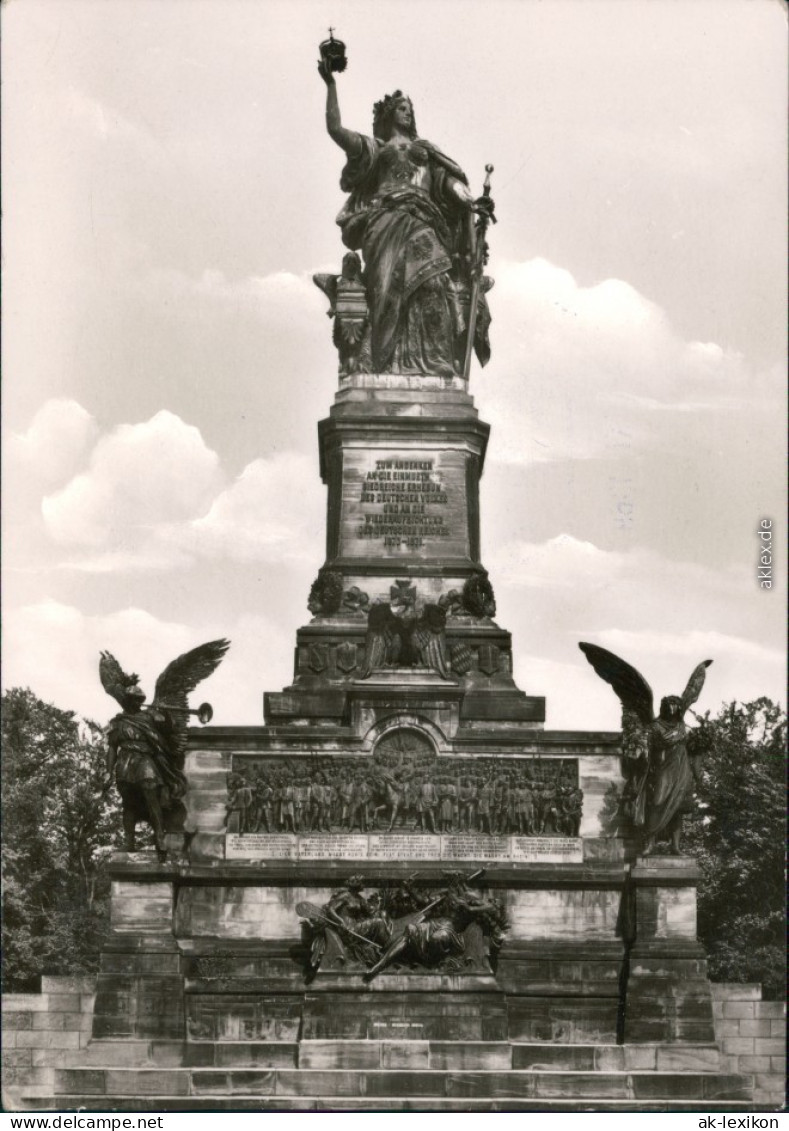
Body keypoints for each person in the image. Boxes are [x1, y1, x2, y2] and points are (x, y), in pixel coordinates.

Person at [318, 61, 492, 377]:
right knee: (383, 288)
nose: (407, 112)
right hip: (385, 222)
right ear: (388, 114)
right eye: (400, 107)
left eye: (409, 108)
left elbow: (447, 182)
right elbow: (335, 130)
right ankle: (383, 363)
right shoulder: (376, 148)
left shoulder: (426, 150)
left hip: (424, 221)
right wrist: (330, 84)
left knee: (435, 281)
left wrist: (470, 200)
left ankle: (434, 361)